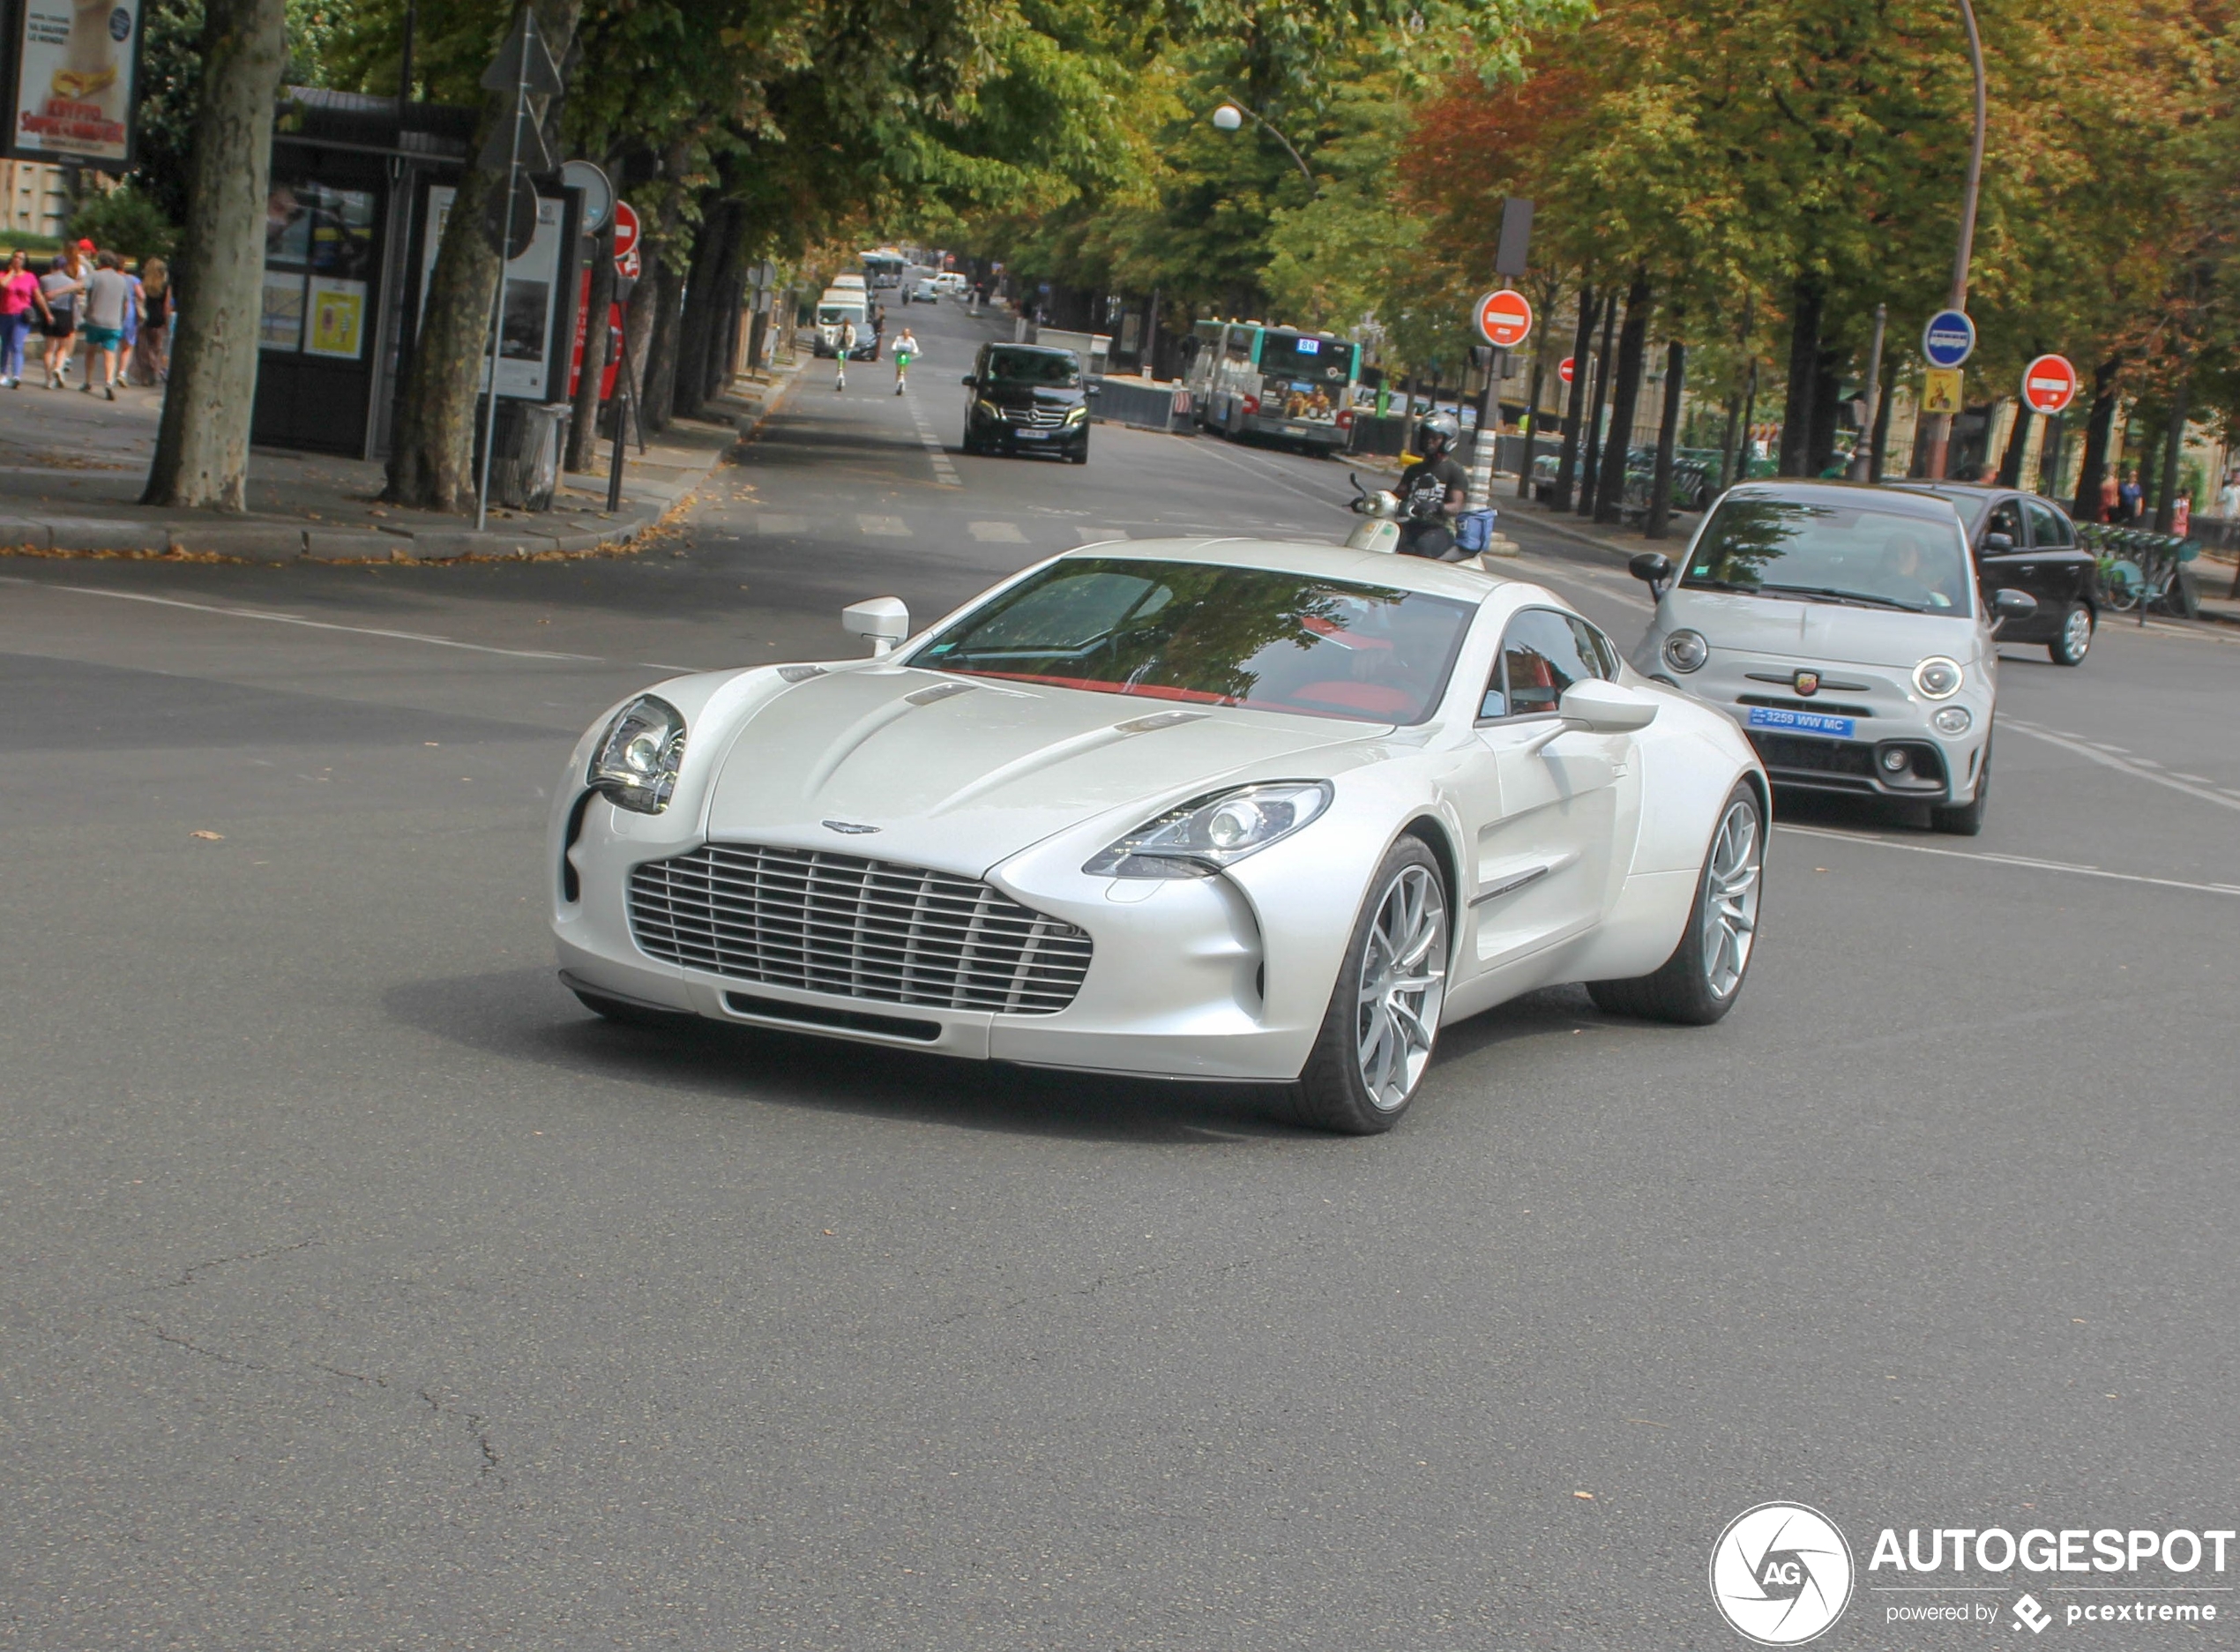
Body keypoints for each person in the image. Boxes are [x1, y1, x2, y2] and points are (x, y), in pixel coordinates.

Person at [1395, 413, 1468, 560]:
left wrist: (1437, 507)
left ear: (1448, 440)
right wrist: (1374, 500)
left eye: (1435, 438)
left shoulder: (1455, 471)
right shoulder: (1413, 470)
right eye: (1426, 436)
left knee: (1423, 546)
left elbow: (1457, 506)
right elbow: (1397, 495)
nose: (1429, 441)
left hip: (1439, 528)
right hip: (1411, 524)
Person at [78, 249, 131, 399]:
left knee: (90, 351)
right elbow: (126, 304)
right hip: (113, 323)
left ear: (100, 262)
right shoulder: (122, 280)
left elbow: (82, 287)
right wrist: (122, 319)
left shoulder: (95, 276)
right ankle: (109, 382)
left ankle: (88, 381)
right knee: (110, 354)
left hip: (95, 320)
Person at [0, 250, 47, 388]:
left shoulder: (30, 277)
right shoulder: (4, 275)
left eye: (21, 258)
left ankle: (16, 376)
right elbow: (2, 285)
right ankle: (3, 373)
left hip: (22, 315)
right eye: (15, 257)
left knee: (17, 345)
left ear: (25, 261)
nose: (17, 260)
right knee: (5, 345)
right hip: (5, 314)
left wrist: (47, 313)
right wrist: (12, 273)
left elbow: (38, 296)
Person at [38, 251, 82, 387]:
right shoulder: (71, 282)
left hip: (50, 312)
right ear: (64, 267)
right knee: (62, 347)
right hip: (65, 313)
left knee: (49, 348)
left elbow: (40, 298)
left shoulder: (44, 279)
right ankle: (58, 367)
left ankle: (48, 379)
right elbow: (73, 302)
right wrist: (75, 319)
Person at [130, 257, 168, 385]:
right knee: (156, 348)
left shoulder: (142, 284)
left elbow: (139, 301)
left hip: (144, 318)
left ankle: (146, 375)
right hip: (159, 320)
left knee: (143, 349)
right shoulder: (165, 286)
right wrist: (166, 321)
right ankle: (155, 369)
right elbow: (167, 306)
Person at [892, 325, 917, 394]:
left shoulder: (912, 340)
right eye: (904, 333)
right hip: (899, 354)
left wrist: (914, 351)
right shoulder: (898, 338)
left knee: (904, 370)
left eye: (907, 333)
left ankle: (903, 383)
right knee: (899, 370)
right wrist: (894, 349)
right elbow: (895, 344)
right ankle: (897, 385)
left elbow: (915, 348)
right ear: (902, 333)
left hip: (906, 355)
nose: (906, 335)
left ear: (909, 334)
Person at [833, 317, 857, 391]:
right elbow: (834, 336)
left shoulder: (852, 329)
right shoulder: (838, 328)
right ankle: (839, 375)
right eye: (845, 324)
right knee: (839, 360)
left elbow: (853, 339)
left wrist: (851, 345)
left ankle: (842, 374)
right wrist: (832, 343)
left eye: (847, 324)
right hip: (839, 346)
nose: (846, 325)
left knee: (844, 361)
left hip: (847, 347)